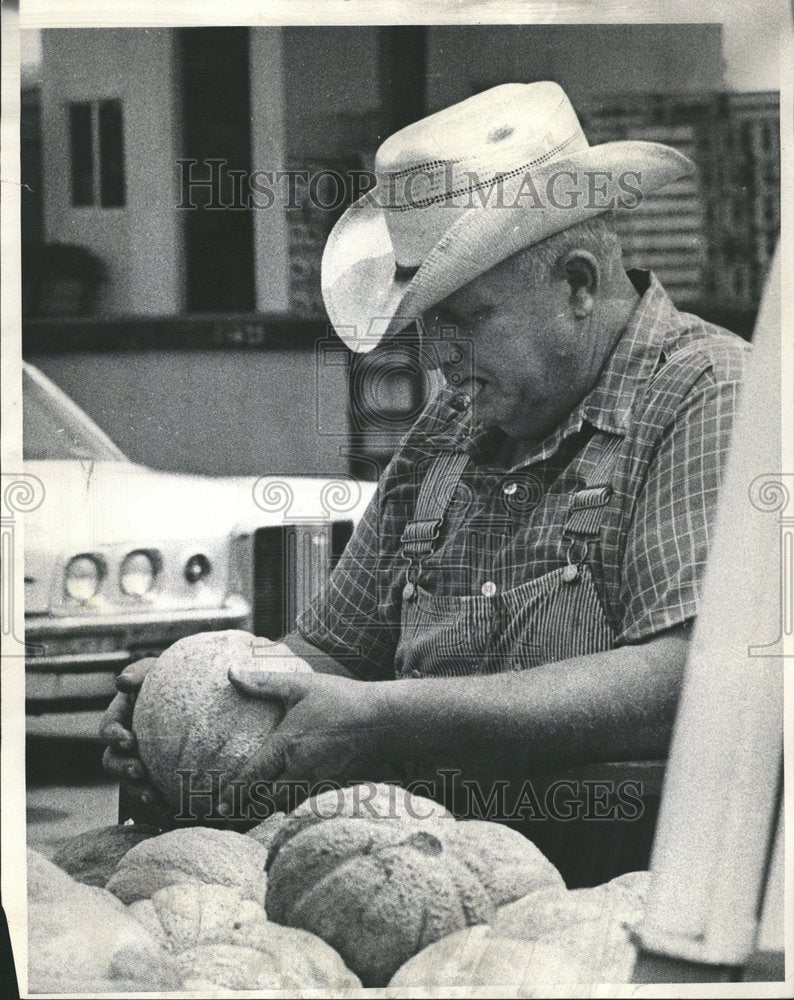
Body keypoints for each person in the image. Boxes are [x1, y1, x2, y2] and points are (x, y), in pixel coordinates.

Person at [102, 82, 748, 825]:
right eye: (426, 324)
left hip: (622, 888)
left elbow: (688, 676)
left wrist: (384, 717)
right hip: (427, 867)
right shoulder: (450, 427)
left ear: (578, 282)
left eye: (467, 318)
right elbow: (335, 652)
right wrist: (203, 695)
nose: (438, 356)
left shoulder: (708, 392)